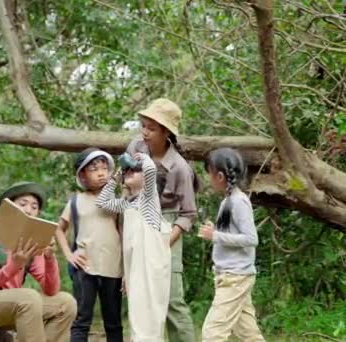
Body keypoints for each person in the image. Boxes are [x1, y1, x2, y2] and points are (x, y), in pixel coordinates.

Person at [0, 182, 77, 342]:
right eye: (23, 204)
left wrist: (50, 258)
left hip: (11, 305)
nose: (29, 210)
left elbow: (51, 290)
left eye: (34, 207)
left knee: (66, 303)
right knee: (29, 297)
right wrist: (14, 265)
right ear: (8, 207)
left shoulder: (32, 244)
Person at [127, 98, 198, 342]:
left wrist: (163, 242)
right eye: (143, 125)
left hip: (167, 226)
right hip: (136, 220)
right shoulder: (135, 147)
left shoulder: (179, 168)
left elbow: (188, 214)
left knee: (171, 298)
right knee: (141, 295)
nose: (144, 132)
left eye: (152, 128)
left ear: (166, 132)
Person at [96, 152, 171, 341]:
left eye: (135, 171)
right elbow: (102, 202)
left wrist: (143, 158)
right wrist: (116, 178)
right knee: (137, 316)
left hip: (150, 267)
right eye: (127, 170)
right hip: (135, 268)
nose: (130, 172)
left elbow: (151, 169)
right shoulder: (127, 204)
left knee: (149, 315)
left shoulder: (148, 201)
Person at [55, 147, 123, 342]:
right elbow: (59, 228)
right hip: (85, 267)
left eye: (105, 168)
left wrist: (126, 268)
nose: (101, 173)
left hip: (113, 267)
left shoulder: (116, 202)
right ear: (82, 175)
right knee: (82, 320)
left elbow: (122, 232)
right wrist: (69, 254)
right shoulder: (76, 201)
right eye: (94, 169)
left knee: (113, 322)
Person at [199, 148, 265, 342]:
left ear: (219, 175)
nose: (209, 179)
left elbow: (251, 239)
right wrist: (216, 231)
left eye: (209, 174)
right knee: (249, 334)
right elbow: (229, 235)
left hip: (235, 277)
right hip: (229, 275)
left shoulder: (238, 202)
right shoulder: (228, 202)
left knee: (212, 333)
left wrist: (216, 235)